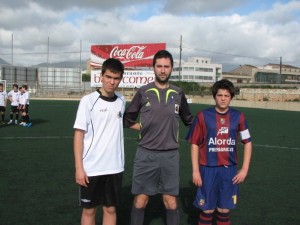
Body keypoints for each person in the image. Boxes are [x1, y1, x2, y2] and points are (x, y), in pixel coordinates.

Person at [124, 50, 194, 225]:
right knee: (141, 200)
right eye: (159, 66)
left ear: (171, 69)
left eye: (166, 67)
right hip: (145, 154)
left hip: (170, 156)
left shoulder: (178, 93)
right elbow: (127, 119)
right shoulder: (143, 91)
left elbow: (189, 120)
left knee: (170, 202)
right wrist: (142, 127)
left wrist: (210, 126)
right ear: (153, 67)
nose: (163, 70)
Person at [187, 79, 252, 225]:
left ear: (231, 97)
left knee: (224, 209)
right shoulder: (203, 116)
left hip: (229, 171)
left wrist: (245, 169)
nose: (223, 98)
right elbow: (194, 144)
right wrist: (195, 171)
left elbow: (248, 142)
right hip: (207, 169)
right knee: (207, 209)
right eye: (220, 95)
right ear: (214, 96)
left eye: (226, 96)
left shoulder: (239, 116)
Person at [73, 58, 125, 225]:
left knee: (110, 209)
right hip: (92, 168)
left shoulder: (122, 101)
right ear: (101, 76)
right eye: (108, 77)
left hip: (115, 167)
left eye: (116, 78)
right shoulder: (87, 101)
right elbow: (79, 135)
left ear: (120, 79)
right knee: (89, 211)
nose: (112, 82)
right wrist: (79, 168)